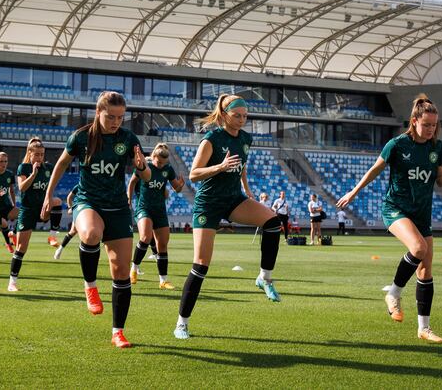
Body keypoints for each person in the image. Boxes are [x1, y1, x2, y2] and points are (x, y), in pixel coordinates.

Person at [337, 94, 442, 343]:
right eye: (426, 124)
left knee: (425, 270)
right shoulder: (397, 144)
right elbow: (375, 169)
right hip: (396, 209)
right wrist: (353, 191)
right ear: (414, 121)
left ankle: (423, 328)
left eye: (434, 125)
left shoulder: (437, 147)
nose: (430, 129)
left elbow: (439, 181)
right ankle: (393, 293)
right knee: (418, 248)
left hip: (422, 213)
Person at [41, 91, 150, 348]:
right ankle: (90, 286)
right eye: (110, 116)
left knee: (121, 271)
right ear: (98, 112)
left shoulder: (128, 139)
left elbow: (144, 177)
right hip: (88, 201)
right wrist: (49, 194)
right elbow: (61, 164)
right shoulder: (81, 137)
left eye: (120, 117)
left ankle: (118, 332)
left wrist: (143, 167)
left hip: (118, 208)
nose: (115, 122)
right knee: (89, 234)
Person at [174, 94, 283, 340]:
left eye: (245, 116)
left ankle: (264, 278)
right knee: (201, 264)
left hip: (234, 199)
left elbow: (241, 165)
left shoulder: (246, 139)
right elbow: (193, 174)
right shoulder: (211, 138)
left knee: (273, 222)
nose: (242, 120)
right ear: (224, 115)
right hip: (208, 203)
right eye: (237, 116)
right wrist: (219, 168)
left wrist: (247, 189)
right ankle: (182, 323)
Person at [127, 142, 185, 289]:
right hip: (144, 208)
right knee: (145, 237)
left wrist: (180, 185)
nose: (161, 165)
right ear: (153, 157)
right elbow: (132, 182)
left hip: (160, 210)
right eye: (158, 162)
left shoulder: (167, 169)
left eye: (163, 162)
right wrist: (128, 198)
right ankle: (133, 269)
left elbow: (176, 189)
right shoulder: (145, 166)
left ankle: (163, 281)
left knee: (163, 245)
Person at [8, 137, 58, 292]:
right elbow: (22, 188)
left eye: (42, 154)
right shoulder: (23, 168)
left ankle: (52, 235)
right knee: (21, 247)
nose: (40, 157)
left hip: (42, 208)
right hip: (28, 210)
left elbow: (50, 187)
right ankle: (12, 282)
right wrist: (34, 174)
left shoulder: (48, 167)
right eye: (36, 154)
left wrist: (48, 200)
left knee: (57, 201)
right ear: (29, 154)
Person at [53, 185, 80, 260]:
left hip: (94, 208)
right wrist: (70, 207)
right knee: (73, 231)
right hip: (79, 208)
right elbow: (69, 197)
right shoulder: (80, 185)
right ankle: (59, 249)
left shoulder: (97, 185)